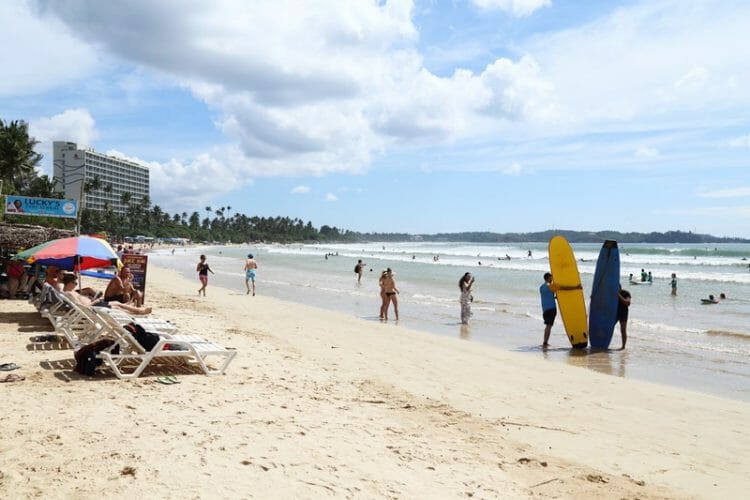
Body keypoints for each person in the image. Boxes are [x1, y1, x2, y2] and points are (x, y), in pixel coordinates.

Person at [62, 274, 152, 315]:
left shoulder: (69, 293)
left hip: (93, 306)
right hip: (92, 308)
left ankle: (135, 310)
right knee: (116, 304)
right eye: (75, 283)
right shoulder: (70, 293)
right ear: (69, 283)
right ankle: (139, 311)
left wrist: (90, 298)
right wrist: (94, 301)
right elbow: (82, 306)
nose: (76, 285)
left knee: (117, 305)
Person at [539, 272, 559, 347]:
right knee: (549, 326)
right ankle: (545, 342)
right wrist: (576, 287)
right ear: (548, 278)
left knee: (548, 325)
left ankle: (545, 341)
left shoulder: (541, 287)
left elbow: (548, 296)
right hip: (551, 309)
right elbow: (563, 288)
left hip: (545, 310)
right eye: (551, 277)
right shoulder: (550, 286)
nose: (552, 278)